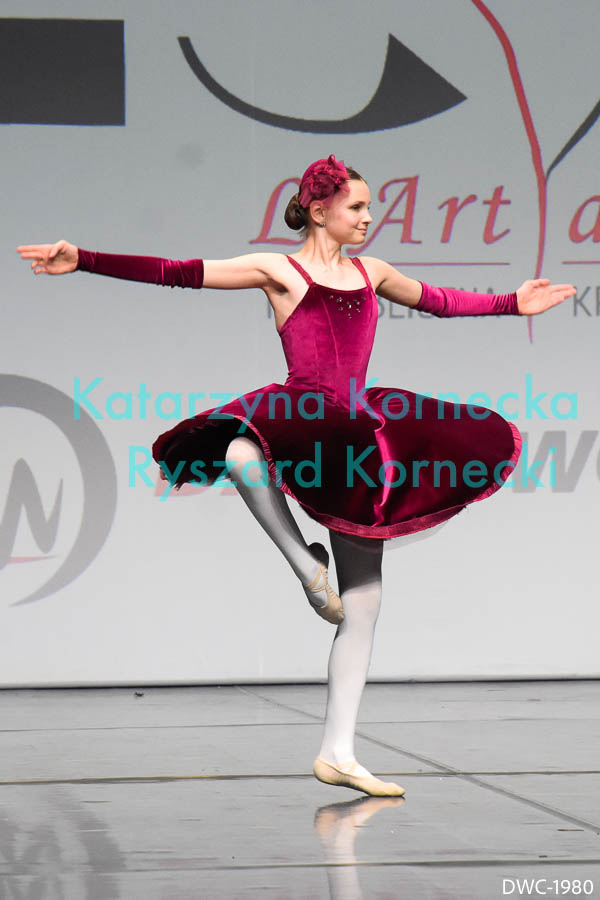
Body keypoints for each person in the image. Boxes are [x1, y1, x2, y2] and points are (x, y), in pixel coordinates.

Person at [17, 154, 575, 798]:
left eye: (369, 207)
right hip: (308, 413)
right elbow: (179, 272)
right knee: (239, 450)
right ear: (318, 210)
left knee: (363, 602)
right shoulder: (279, 270)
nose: (368, 218)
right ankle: (306, 564)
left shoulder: (372, 272)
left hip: (363, 432)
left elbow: (441, 302)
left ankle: (338, 752)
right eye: (357, 207)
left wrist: (513, 303)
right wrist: (84, 259)